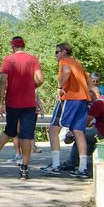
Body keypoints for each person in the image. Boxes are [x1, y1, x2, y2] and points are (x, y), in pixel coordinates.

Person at [0, 37, 44, 179]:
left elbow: (2, 82)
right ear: (23, 46)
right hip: (29, 104)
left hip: (12, 102)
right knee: (26, 135)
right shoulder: (33, 59)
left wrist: (1, 103)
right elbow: (41, 78)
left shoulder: (8, 60)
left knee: (9, 130)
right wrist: (32, 86)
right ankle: (24, 169)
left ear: (13, 47)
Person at [40, 43, 93, 178]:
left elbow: (67, 71)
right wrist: (91, 94)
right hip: (83, 100)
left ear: (64, 52)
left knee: (53, 129)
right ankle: (82, 168)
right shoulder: (77, 63)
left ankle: (56, 165)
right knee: (78, 132)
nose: (56, 55)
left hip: (70, 99)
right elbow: (89, 80)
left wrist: (59, 86)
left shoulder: (65, 61)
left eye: (57, 52)